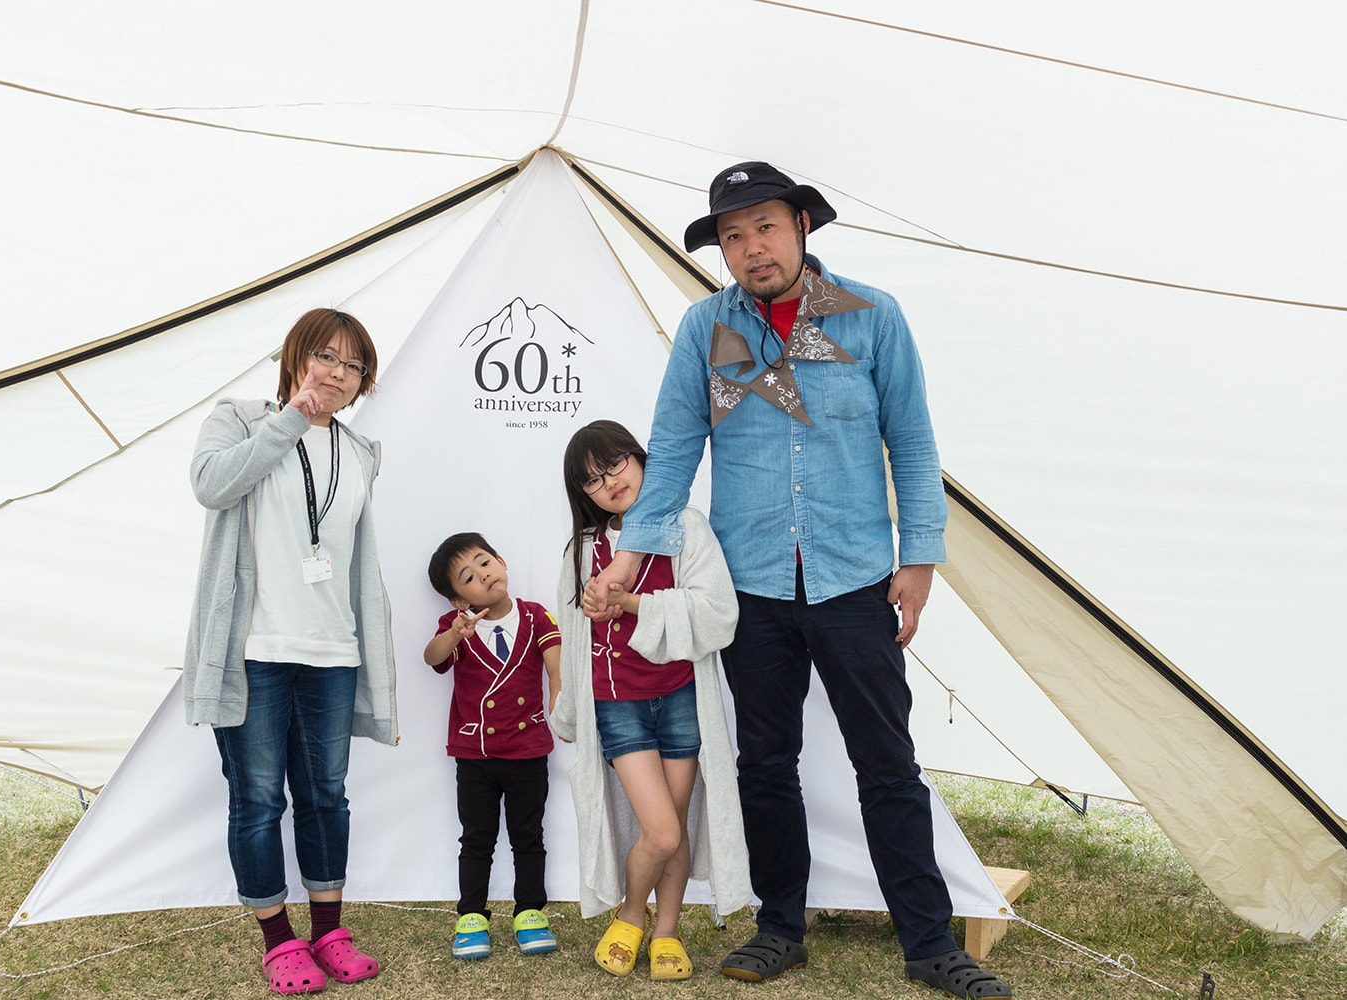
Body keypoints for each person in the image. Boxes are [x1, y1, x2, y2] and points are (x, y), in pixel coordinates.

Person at [588, 163, 1012, 998]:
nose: (753, 248)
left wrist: (919, 560)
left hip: (855, 579)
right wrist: (630, 557)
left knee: (887, 764)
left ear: (802, 228)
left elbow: (912, 442)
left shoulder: (873, 316)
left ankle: (929, 943)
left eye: (766, 227)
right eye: (734, 236)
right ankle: (780, 927)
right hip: (750, 587)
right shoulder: (704, 328)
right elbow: (672, 449)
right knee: (765, 764)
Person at [183, 307, 397, 995]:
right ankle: (278, 940)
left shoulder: (361, 452)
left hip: (333, 650)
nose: (338, 373)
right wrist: (290, 420)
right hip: (255, 650)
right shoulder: (240, 420)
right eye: (326, 356)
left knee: (326, 797)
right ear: (296, 356)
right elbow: (211, 485)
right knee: (256, 800)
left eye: (354, 366)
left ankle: (329, 930)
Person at [549, 419, 750, 982]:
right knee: (660, 831)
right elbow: (573, 637)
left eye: (615, 464)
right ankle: (631, 915)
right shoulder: (583, 550)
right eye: (592, 480)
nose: (610, 482)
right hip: (618, 704)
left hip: (681, 698)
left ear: (640, 460)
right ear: (583, 495)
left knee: (675, 827)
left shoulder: (686, 525)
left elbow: (719, 614)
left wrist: (633, 603)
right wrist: (569, 711)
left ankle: (667, 932)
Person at [422, 532, 563, 960]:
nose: (483, 575)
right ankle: (472, 916)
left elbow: (556, 668)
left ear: (501, 560)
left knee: (529, 835)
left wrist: (559, 703)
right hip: (475, 755)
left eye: (484, 562)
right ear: (458, 600)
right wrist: (455, 635)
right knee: (476, 838)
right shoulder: (456, 628)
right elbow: (432, 658)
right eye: (468, 577)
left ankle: (530, 912)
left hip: (528, 750)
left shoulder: (536, 616)